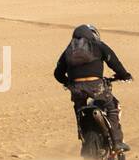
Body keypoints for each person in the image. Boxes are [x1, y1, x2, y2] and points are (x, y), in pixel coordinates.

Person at [53, 23, 133, 151]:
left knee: (80, 111)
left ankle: (84, 139)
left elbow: (57, 73)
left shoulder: (68, 50)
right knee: (112, 107)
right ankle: (117, 142)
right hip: (96, 86)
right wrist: (125, 75)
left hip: (76, 88)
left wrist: (68, 83)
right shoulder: (98, 45)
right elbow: (114, 63)